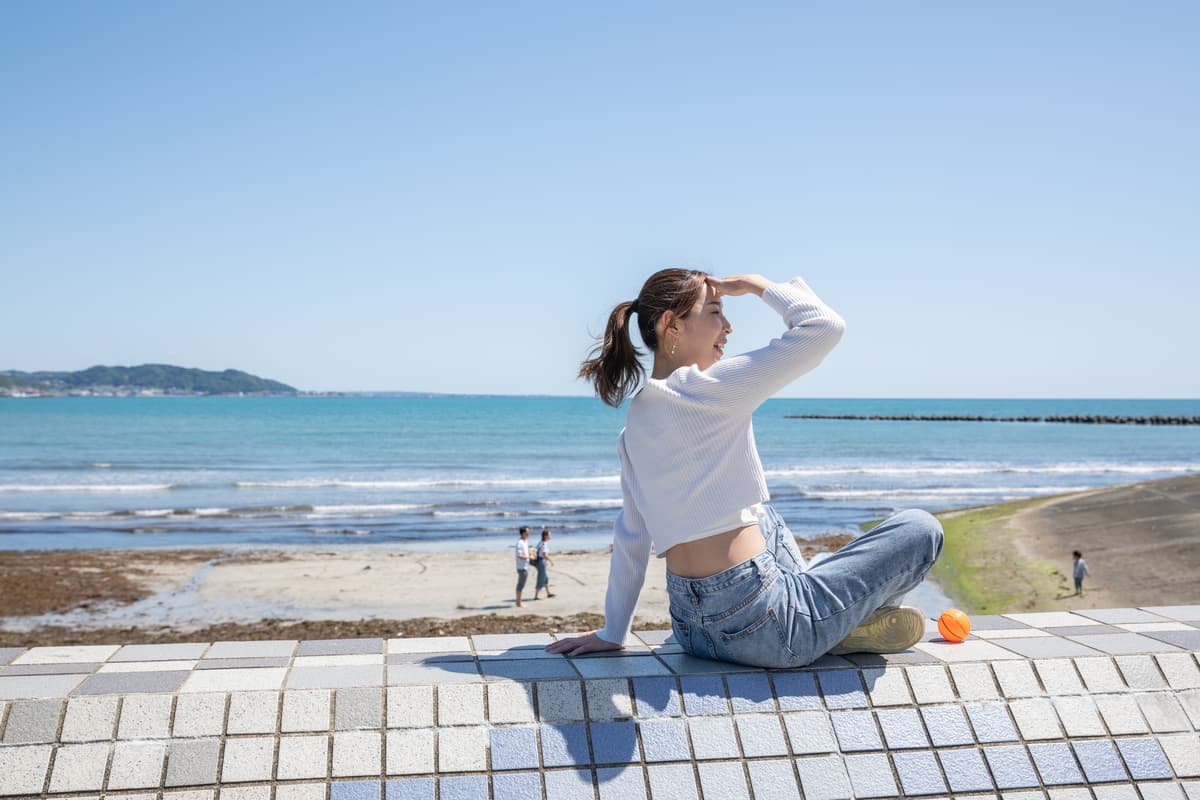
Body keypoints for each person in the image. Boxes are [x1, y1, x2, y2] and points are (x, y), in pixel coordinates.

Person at [547, 270, 944, 668]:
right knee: (921, 528)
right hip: (771, 629)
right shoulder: (710, 386)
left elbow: (632, 535)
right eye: (714, 311)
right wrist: (756, 285)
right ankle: (843, 622)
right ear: (672, 325)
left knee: (760, 514)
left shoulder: (634, 423)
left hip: (691, 631)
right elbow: (824, 327)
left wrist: (613, 632)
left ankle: (834, 616)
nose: (728, 326)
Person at [533, 528, 555, 599]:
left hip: (540, 561)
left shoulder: (541, 542)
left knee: (545, 578)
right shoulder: (544, 544)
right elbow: (545, 555)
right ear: (545, 536)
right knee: (541, 578)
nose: (550, 536)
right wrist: (551, 561)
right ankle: (536, 596)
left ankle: (548, 593)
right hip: (541, 561)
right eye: (549, 535)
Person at [514, 526, 531, 607]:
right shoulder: (519, 543)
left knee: (522, 584)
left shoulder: (525, 541)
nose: (529, 534)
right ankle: (519, 603)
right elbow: (520, 556)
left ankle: (519, 602)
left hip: (525, 566)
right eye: (527, 532)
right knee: (520, 585)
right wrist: (529, 557)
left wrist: (531, 553)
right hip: (521, 567)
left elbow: (526, 552)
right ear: (523, 533)